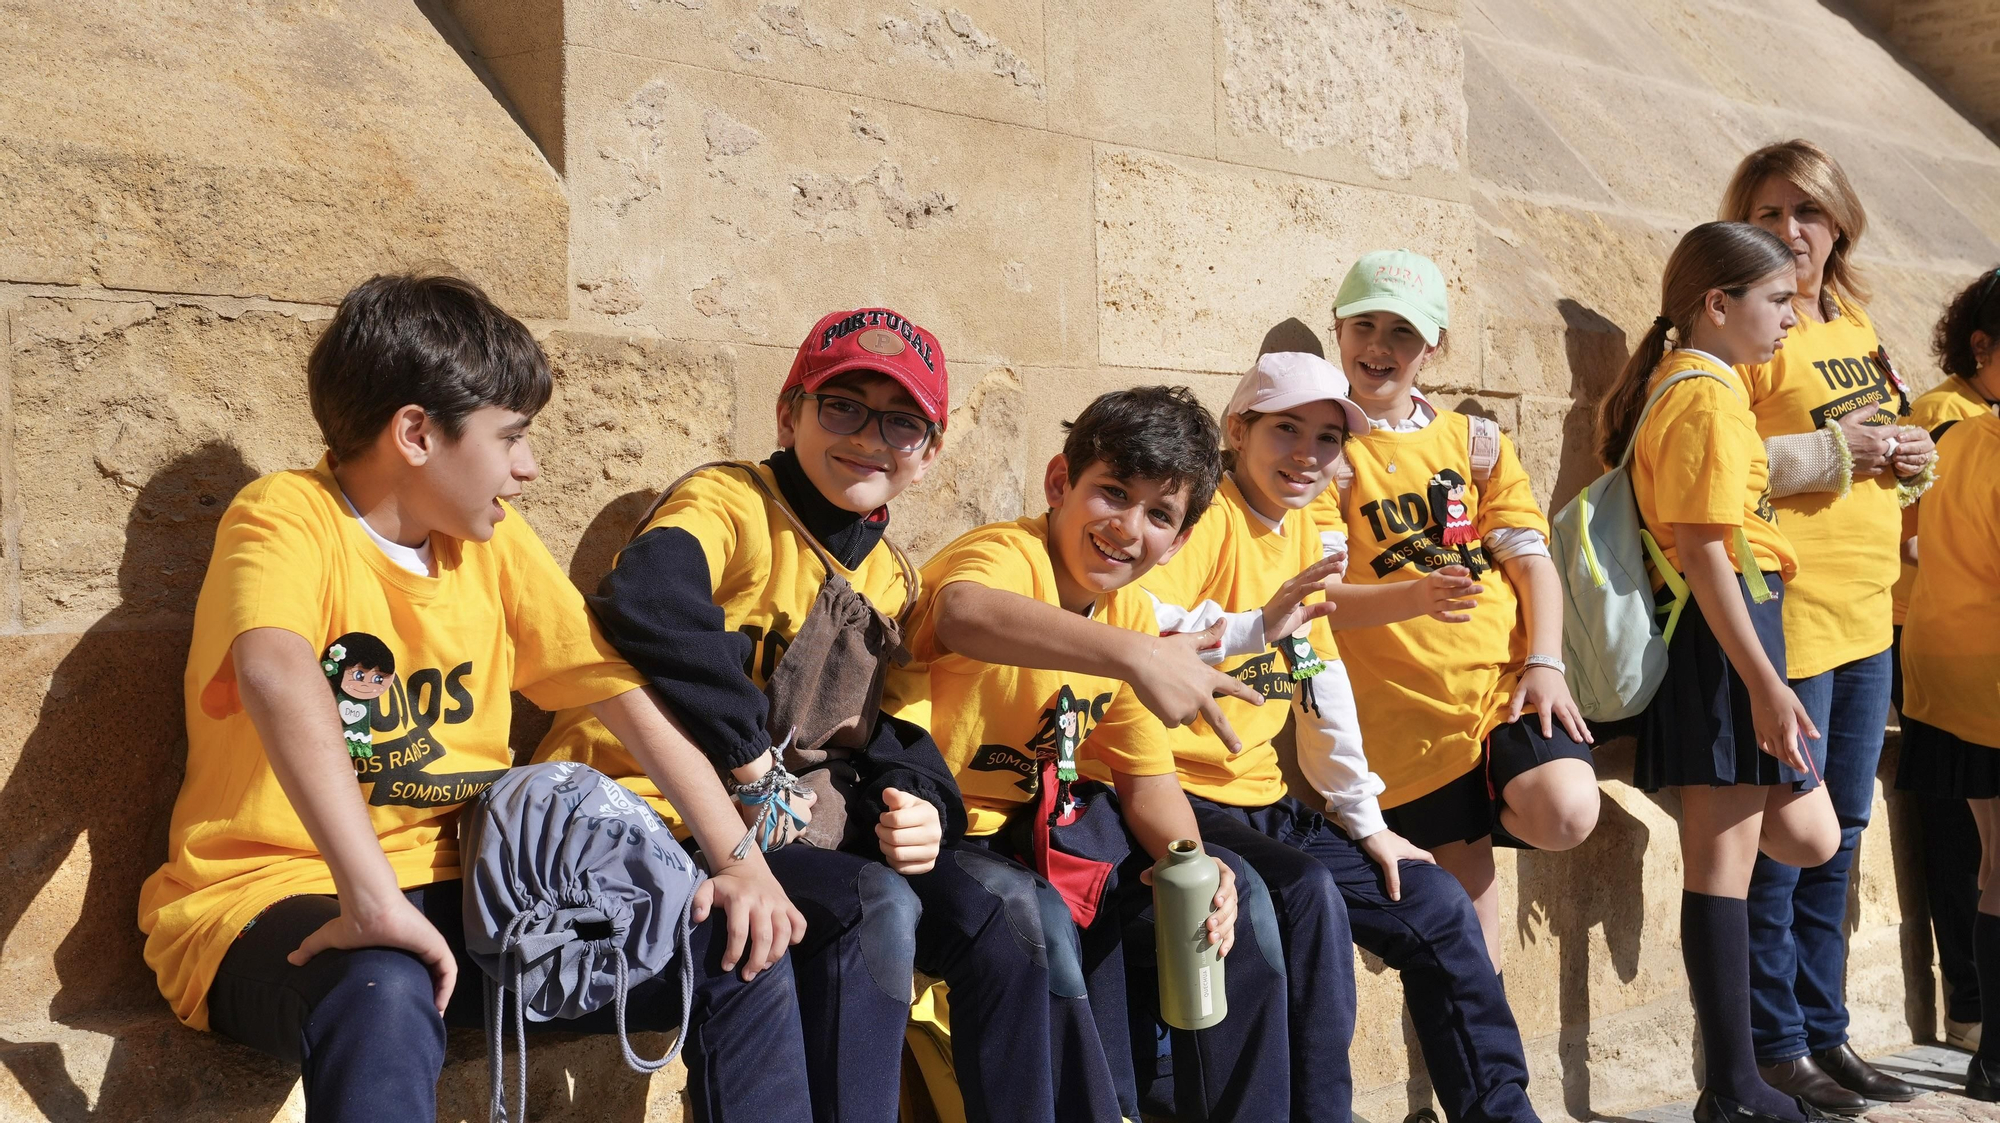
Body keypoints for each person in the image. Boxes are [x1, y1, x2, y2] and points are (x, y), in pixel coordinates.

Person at [136, 272, 813, 1122]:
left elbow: (615, 691)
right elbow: (275, 670)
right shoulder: (284, 516)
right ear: (416, 432)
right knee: (383, 981)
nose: (528, 469)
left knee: (736, 943)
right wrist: (375, 901)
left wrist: (739, 863)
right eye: (511, 438)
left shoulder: (488, 543)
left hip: (480, 901)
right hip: (266, 897)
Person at [536, 307, 1103, 1123]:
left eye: (901, 421)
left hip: (782, 828)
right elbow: (647, 597)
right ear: (788, 411)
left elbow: (884, 733)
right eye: (842, 406)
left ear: (929, 452)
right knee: (873, 905)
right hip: (651, 812)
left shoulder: (891, 581)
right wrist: (751, 759)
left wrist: (924, 804)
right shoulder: (730, 500)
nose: (869, 437)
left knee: (1009, 914)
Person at [900, 384, 1285, 1120]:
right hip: (922, 833)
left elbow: (1148, 786)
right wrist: (1136, 655)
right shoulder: (1009, 553)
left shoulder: (1130, 610)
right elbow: (962, 613)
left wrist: (1199, 864)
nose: (1127, 526)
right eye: (1112, 493)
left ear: (1177, 540)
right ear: (1058, 483)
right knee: (1028, 913)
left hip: (1027, 840)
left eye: (1159, 514)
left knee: (1239, 899)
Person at [1596, 221, 1841, 1123]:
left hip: (1740, 628)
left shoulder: (1711, 387)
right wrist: (1765, 686)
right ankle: (1733, 1089)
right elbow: (1704, 553)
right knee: (1723, 867)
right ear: (1718, 303)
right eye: (1778, 300)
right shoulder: (1700, 398)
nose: (1790, 318)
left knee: (1808, 833)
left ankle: (1732, 1085)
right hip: (1721, 637)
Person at [1309, 250, 1600, 970]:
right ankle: (1487, 1072)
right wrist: (1414, 596)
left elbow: (1533, 560)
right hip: (1409, 724)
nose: (1381, 347)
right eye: (1366, 324)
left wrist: (1547, 661)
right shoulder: (1320, 456)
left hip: (1505, 692)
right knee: (1471, 938)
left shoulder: (1474, 443)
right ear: (1337, 330)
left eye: (1403, 332)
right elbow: (1317, 604)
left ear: (1434, 345)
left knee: (1568, 810)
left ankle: (1498, 789)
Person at [1718, 139, 1934, 1111]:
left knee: (1838, 834)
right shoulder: (1745, 327)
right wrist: (1830, 449)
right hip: (1787, 611)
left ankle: (1825, 1029)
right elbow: (1712, 458)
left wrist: (1908, 454)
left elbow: (1876, 446)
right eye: (1765, 214)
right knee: (1782, 833)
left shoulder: (1851, 316)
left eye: (1802, 212)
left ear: (1836, 219)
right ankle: (1773, 1041)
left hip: (1866, 608)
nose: (1786, 232)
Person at [1892, 268, 2000, 1055]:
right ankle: (1971, 1005)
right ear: (1981, 343)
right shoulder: (1944, 417)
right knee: (1963, 844)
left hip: (1949, 642)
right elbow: (1898, 532)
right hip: (1932, 643)